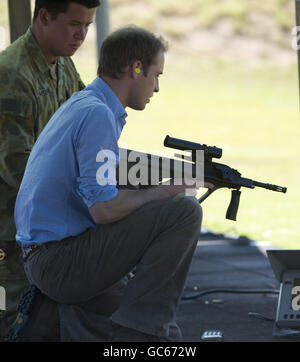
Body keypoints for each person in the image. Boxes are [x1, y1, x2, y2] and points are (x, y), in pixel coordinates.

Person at [13, 26, 207, 342]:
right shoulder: (97, 115)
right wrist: (162, 192)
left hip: (48, 258)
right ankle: (137, 334)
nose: (156, 87)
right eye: (156, 74)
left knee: (168, 334)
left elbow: (100, 196)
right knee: (184, 211)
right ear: (136, 68)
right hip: (59, 262)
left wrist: (148, 193)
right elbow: (103, 210)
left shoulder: (85, 104)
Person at [0, 0, 99, 340]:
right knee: (12, 320)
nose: (81, 35)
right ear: (44, 16)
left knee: (43, 321)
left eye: (87, 25)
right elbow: (17, 169)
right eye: (74, 24)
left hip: (41, 225)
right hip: (9, 235)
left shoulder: (62, 66)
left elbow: (88, 120)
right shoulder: (12, 75)